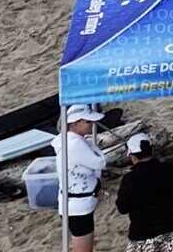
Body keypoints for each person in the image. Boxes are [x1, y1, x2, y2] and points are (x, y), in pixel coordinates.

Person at [115, 134, 173, 252]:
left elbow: (122, 208)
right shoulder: (168, 168)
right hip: (171, 227)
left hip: (143, 234)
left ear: (133, 156)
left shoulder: (129, 179)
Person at [61, 105, 108, 252]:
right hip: (78, 207)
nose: (92, 124)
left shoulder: (68, 140)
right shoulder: (75, 144)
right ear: (74, 124)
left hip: (74, 202)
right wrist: (94, 147)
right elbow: (101, 162)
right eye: (88, 122)